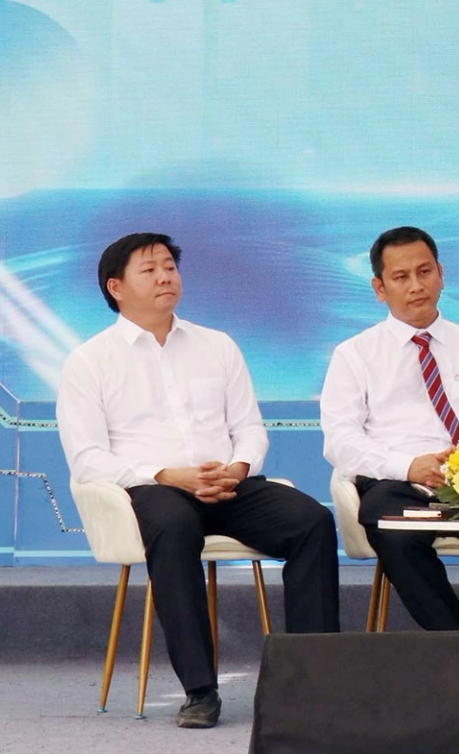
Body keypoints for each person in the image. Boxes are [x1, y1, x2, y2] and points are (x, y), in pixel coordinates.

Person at [57, 233, 340, 730]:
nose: (165, 276)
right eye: (149, 270)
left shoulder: (217, 345)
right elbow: (87, 458)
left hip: (226, 484)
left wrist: (237, 468)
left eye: (170, 266)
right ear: (116, 287)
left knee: (312, 521)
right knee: (174, 527)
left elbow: (249, 428)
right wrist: (167, 475)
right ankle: (200, 690)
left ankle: (313, 681)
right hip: (152, 489)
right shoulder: (89, 361)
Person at [319, 226, 459, 702]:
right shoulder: (355, 354)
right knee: (394, 531)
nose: (416, 285)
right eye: (401, 277)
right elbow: (340, 442)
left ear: (441, 274)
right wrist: (408, 465)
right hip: (396, 482)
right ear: (379, 287)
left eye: (425, 272)